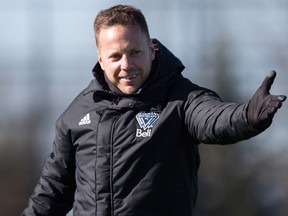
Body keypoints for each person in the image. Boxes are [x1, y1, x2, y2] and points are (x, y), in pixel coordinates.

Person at [21, 4, 286, 216]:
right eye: (115, 56)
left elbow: (213, 118)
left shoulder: (180, 99)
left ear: (151, 49)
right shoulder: (76, 114)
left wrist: (248, 116)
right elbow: (52, 192)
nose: (126, 64)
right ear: (101, 59)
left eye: (135, 52)